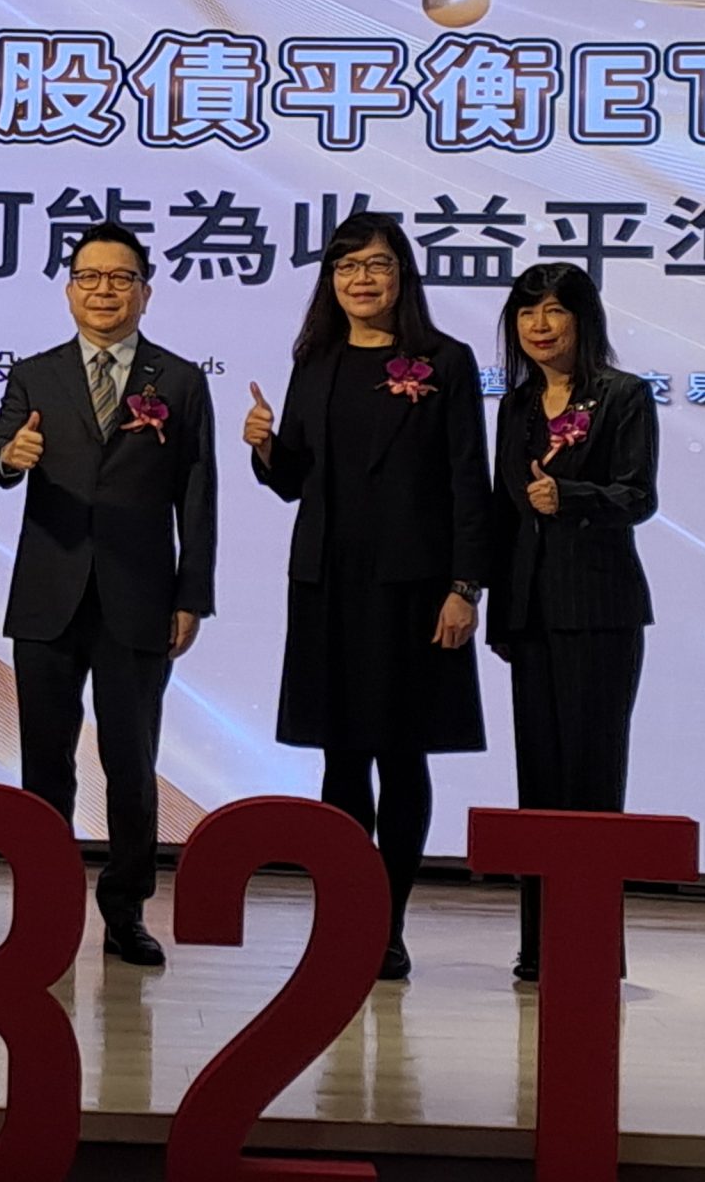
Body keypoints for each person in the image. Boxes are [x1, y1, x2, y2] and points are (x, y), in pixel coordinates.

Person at [243, 213, 488, 983]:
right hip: (328, 585)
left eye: (376, 265)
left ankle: (391, 923)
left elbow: (468, 483)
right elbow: (296, 481)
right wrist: (265, 447)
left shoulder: (445, 361)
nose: (361, 280)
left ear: (401, 275)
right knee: (341, 759)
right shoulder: (315, 359)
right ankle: (349, 918)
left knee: (402, 756)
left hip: (413, 590)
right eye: (347, 267)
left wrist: (464, 587)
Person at [0, 221, 215, 967]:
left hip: (139, 597)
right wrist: (9, 456)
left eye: (120, 278)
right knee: (44, 764)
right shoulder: (36, 373)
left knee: (131, 763)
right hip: (48, 595)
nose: (103, 291)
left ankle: (126, 911)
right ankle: (44, 907)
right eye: (89, 277)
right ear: (69, 289)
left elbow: (198, 494)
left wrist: (192, 594)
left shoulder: (179, 381)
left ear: (146, 291)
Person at [485, 260, 658, 984]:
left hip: (598, 611)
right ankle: (538, 946)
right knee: (539, 785)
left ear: (584, 319)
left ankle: (588, 948)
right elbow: (503, 509)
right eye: (527, 313)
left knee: (591, 782)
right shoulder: (517, 405)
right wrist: (490, 604)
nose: (540, 326)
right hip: (531, 613)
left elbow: (638, 496)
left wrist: (573, 496)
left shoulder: (623, 395)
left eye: (555, 310)